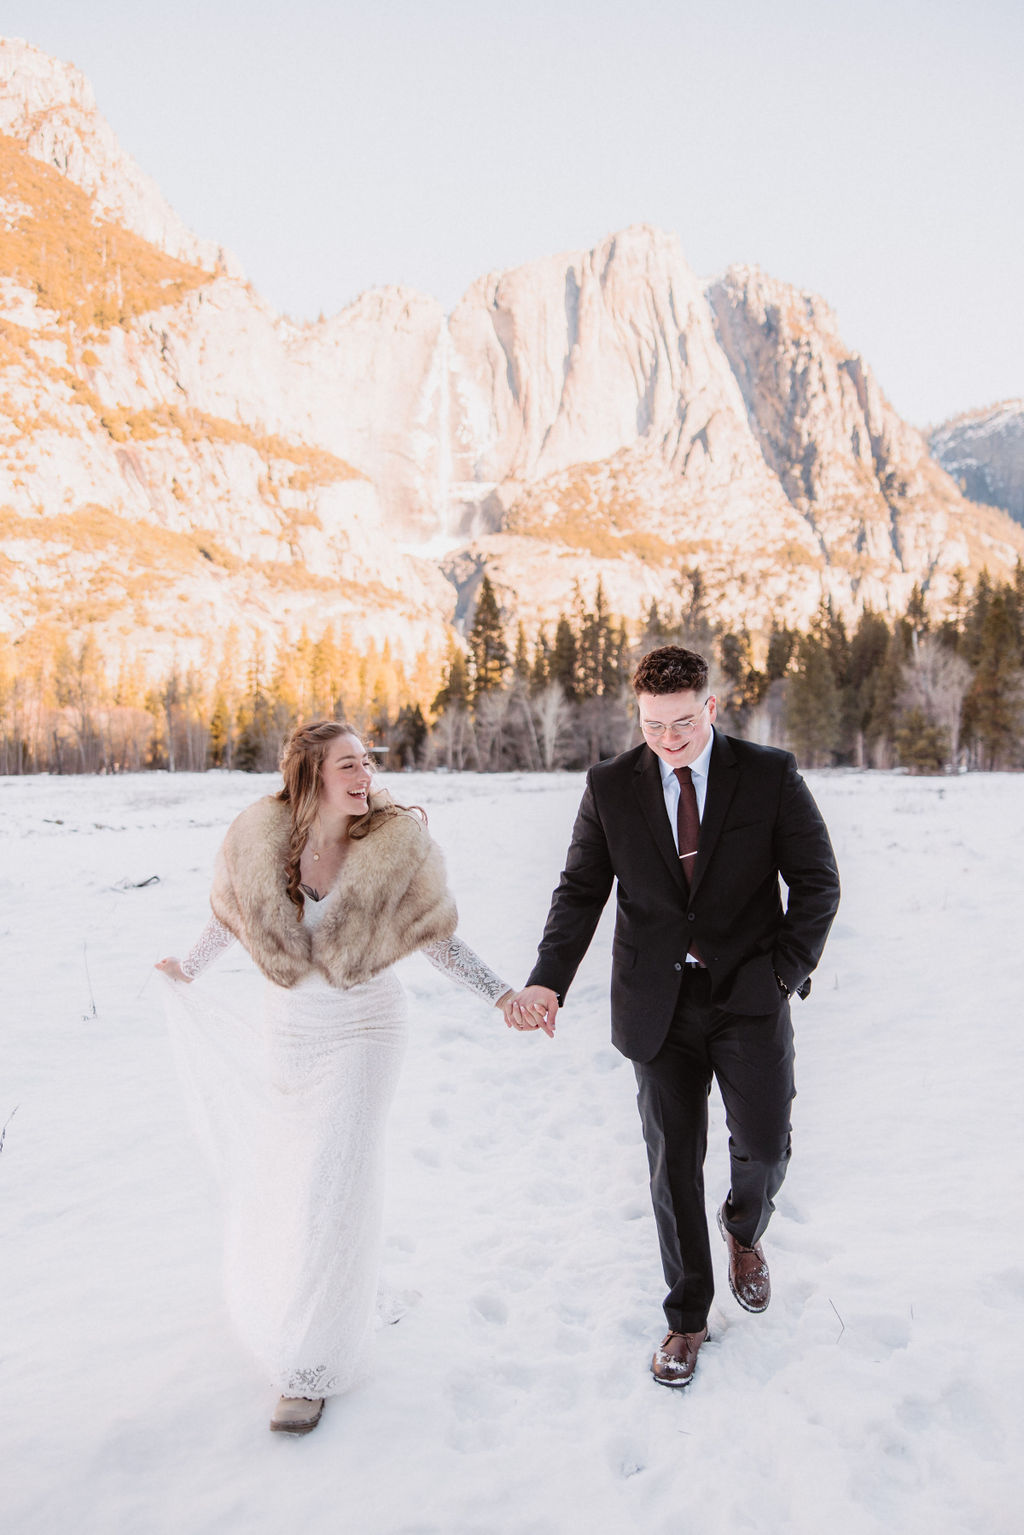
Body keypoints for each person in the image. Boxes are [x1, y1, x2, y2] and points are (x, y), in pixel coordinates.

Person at [157, 719, 540, 1436]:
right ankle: (351, 1291)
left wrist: (502, 994)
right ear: (309, 774)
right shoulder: (261, 839)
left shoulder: (393, 846)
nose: (365, 775)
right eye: (348, 765)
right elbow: (234, 916)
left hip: (365, 1031)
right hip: (291, 1032)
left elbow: (438, 939)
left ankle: (309, 1368)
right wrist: (186, 967)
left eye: (367, 761)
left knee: (334, 1179)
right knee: (308, 1181)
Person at [508, 646, 840, 1388]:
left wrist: (783, 971)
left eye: (683, 721)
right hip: (656, 1006)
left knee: (765, 1141)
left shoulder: (769, 775)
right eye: (653, 724)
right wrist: (549, 982)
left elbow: (817, 883)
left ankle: (744, 1230)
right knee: (672, 1163)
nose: (668, 738)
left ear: (711, 708)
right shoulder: (609, 787)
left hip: (749, 998)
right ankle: (687, 1318)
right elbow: (579, 892)